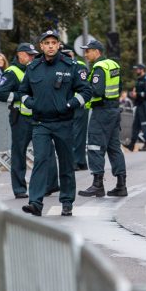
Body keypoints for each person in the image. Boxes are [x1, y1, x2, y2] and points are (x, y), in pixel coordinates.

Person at [17, 29, 91, 217]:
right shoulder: (33, 67)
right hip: (40, 123)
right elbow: (23, 92)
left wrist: (70, 104)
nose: (50, 46)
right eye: (46, 43)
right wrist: (32, 103)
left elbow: (86, 91)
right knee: (40, 160)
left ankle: (67, 201)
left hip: (64, 123)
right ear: (41, 46)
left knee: (66, 163)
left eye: (53, 43)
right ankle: (35, 202)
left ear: (58, 45)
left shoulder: (71, 66)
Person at [77, 39, 128, 198]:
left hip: (101, 111)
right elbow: (119, 87)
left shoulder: (99, 67)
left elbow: (97, 91)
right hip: (113, 110)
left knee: (94, 146)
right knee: (114, 148)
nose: (86, 54)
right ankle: (121, 185)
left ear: (97, 52)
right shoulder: (114, 65)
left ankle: (97, 184)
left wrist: (84, 88)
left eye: (88, 51)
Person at [0, 42, 46, 199]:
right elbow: (1, 94)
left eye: (33, 55)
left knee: (44, 152)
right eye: (29, 55)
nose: (32, 58)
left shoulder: (35, 69)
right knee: (19, 153)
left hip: (38, 116)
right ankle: (19, 189)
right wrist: (20, 95)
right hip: (20, 118)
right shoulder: (12, 72)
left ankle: (48, 185)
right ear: (20, 55)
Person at [62, 45, 90, 170]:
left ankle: (76, 160)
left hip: (77, 104)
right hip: (75, 104)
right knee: (78, 134)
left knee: (76, 134)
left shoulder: (78, 65)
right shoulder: (75, 65)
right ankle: (80, 161)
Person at [127, 64, 146, 151]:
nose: (136, 71)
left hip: (144, 105)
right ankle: (132, 144)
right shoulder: (139, 80)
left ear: (142, 70)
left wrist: (137, 94)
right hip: (139, 104)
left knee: (145, 124)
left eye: (137, 69)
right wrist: (133, 95)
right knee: (136, 125)